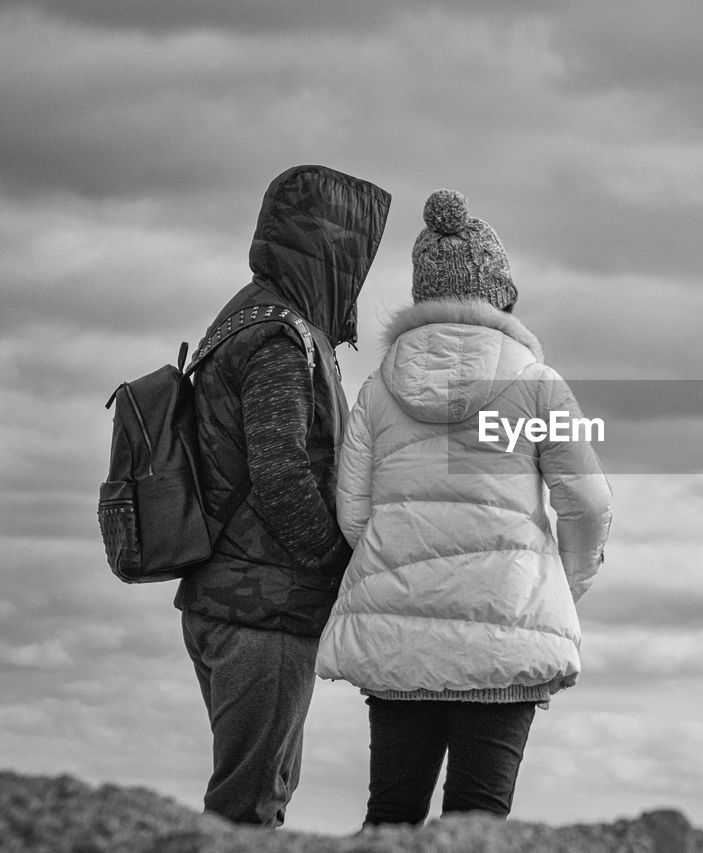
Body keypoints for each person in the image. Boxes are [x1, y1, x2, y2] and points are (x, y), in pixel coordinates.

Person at [316, 188, 611, 826]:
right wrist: (560, 582)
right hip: (506, 625)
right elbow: (587, 503)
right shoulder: (538, 385)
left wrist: (401, 566)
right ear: (503, 296)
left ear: (424, 295)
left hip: (398, 636)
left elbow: (353, 510)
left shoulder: (378, 388)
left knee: (390, 814)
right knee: (479, 820)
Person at [174, 164, 391, 826]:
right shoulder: (277, 337)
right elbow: (283, 475)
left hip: (234, 596)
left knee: (247, 802)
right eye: (355, 253)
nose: (359, 271)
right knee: (249, 810)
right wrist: (342, 565)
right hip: (261, 611)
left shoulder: (246, 317)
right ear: (329, 247)